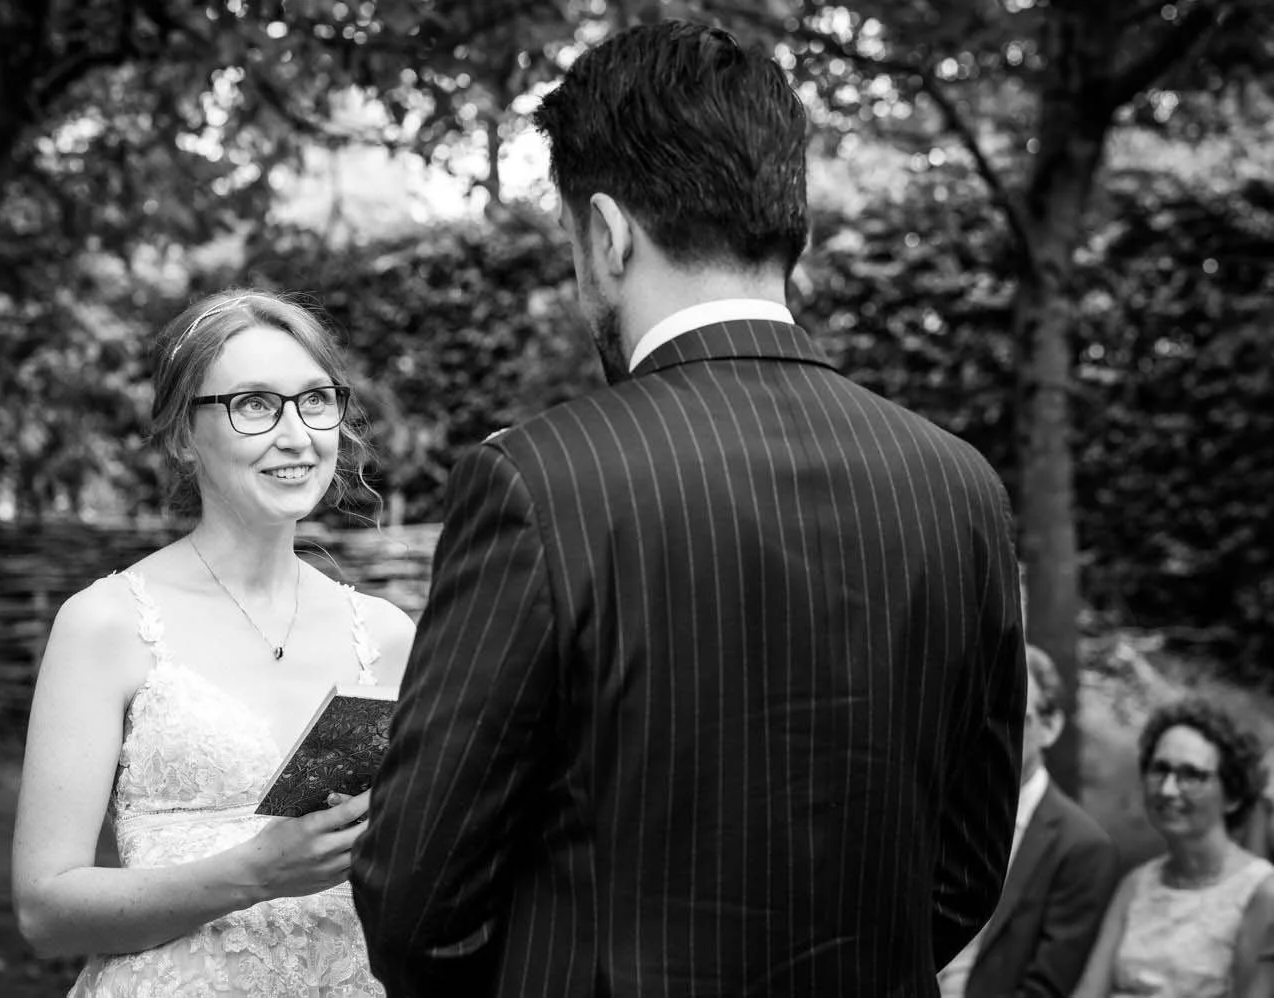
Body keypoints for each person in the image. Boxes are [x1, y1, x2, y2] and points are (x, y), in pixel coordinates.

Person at [351, 19, 1027, 997]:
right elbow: (965, 869)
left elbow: (418, 896)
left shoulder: (538, 481)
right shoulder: (960, 484)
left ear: (607, 232)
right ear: (788, 212)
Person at [11, 289, 415, 996]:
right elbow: (45, 911)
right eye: (254, 404)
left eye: (315, 400)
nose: (296, 434)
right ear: (182, 436)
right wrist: (255, 873)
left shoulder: (385, 634)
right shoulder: (107, 623)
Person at [938, 645, 1118, 997]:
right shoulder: (941, 815)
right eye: (979, 714)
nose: (987, 733)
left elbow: (1046, 988)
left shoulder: (1082, 847)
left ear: (1050, 727)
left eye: (1009, 718)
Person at [1072, 698, 1274, 998]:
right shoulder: (1136, 883)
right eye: (1160, 770)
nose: (1168, 789)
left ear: (1232, 795)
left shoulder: (1261, 892)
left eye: (1191, 775)